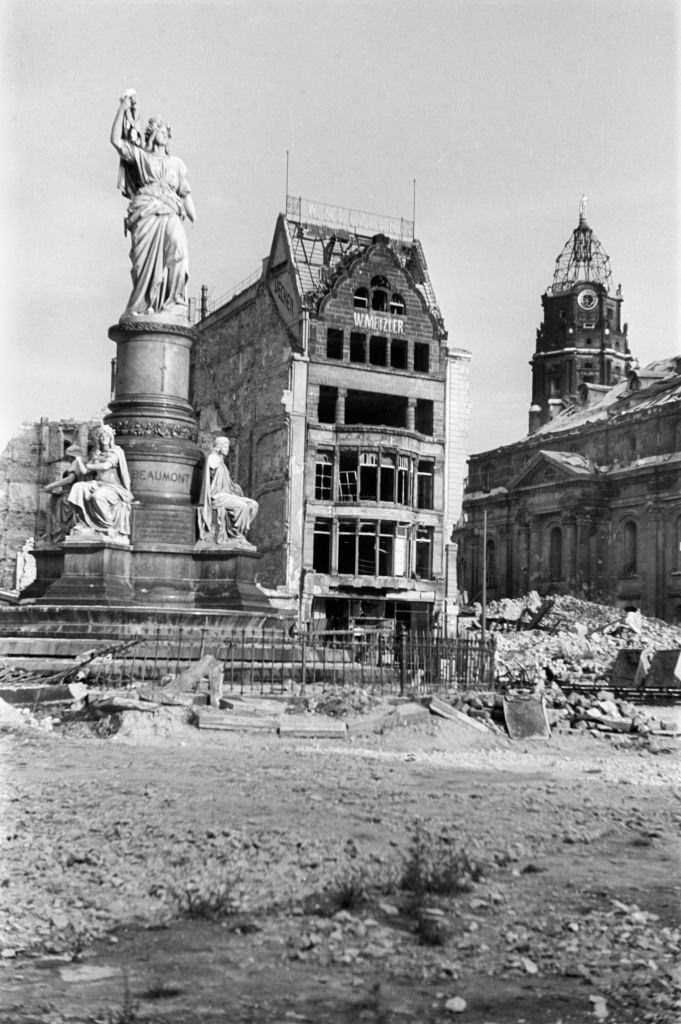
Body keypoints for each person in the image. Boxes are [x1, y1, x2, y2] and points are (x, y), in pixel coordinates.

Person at [110, 90, 197, 318]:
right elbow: (116, 141)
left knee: (179, 250)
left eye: (166, 131)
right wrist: (122, 107)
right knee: (142, 267)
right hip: (146, 212)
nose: (164, 134)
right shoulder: (142, 157)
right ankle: (142, 304)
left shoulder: (177, 163)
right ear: (152, 133)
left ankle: (174, 302)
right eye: (160, 129)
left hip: (170, 211)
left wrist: (193, 215)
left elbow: (185, 191)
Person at [67, 426, 133, 540]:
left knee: (97, 496)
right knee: (77, 487)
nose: (104, 438)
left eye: (106, 435)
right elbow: (85, 471)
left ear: (111, 437)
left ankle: (107, 526)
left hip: (113, 488)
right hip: (96, 484)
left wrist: (89, 464)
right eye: (101, 435)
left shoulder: (116, 452)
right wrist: (78, 460)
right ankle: (82, 521)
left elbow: (105, 466)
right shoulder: (97, 454)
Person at [197, 437, 258, 545]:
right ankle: (236, 535)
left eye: (228, 446)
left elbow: (227, 483)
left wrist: (234, 487)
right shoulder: (213, 458)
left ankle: (240, 532)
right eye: (225, 446)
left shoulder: (222, 464)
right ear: (219, 447)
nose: (228, 449)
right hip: (217, 496)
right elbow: (212, 471)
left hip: (226, 495)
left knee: (253, 504)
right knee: (242, 506)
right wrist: (214, 454)